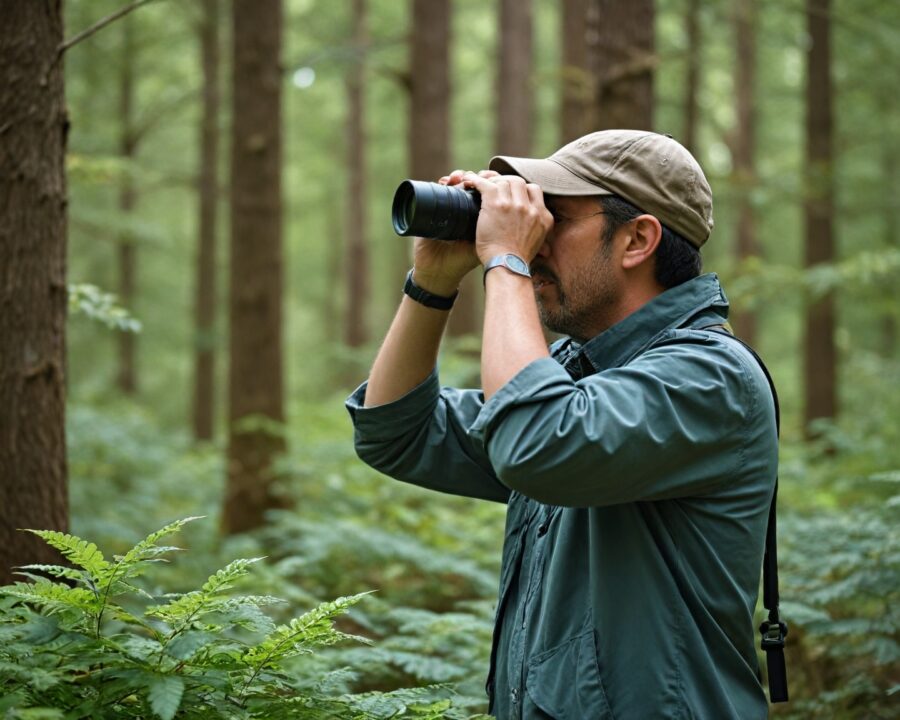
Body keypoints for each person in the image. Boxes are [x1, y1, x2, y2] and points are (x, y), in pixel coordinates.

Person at [345, 130, 777, 719]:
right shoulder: (578, 375)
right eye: (532, 217)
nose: (537, 238)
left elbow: (538, 444)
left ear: (637, 239)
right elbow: (397, 434)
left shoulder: (709, 378)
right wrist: (433, 283)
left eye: (555, 218)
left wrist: (506, 261)